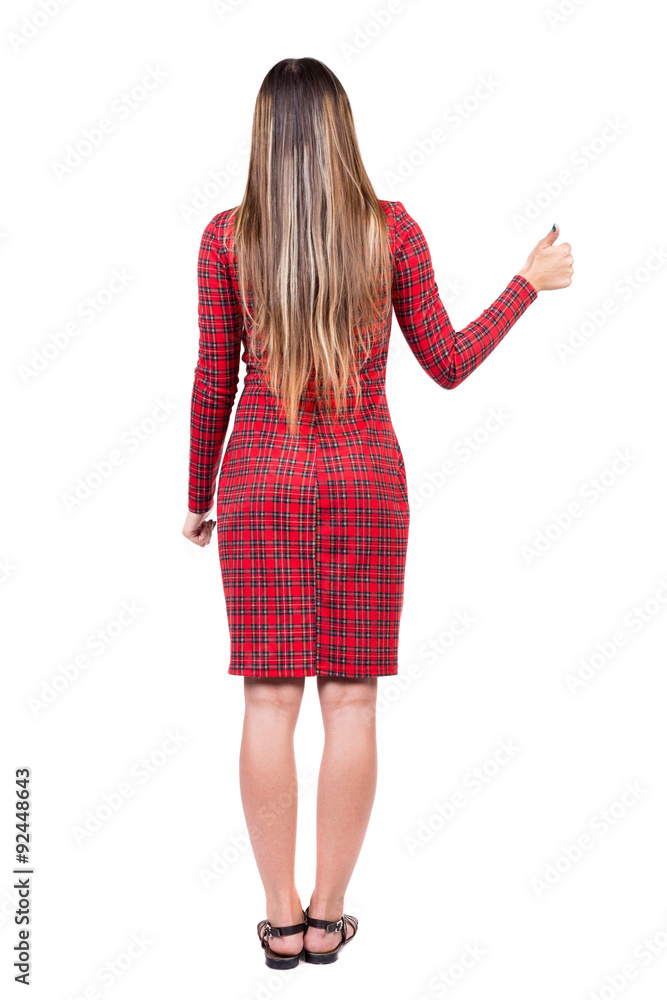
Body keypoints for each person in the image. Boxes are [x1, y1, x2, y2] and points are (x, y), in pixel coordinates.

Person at [182, 57, 574, 968]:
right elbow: (447, 362)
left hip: (259, 482)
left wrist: (199, 497)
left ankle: (279, 920)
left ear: (263, 137)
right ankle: (327, 919)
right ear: (342, 130)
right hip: (365, 483)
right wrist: (525, 283)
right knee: (351, 698)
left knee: (268, 698)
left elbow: (213, 378)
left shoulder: (224, 239)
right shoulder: (389, 231)